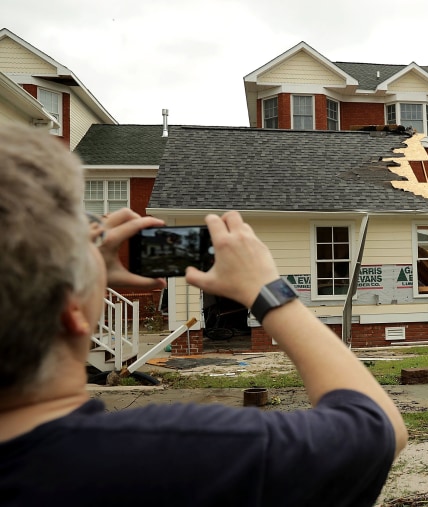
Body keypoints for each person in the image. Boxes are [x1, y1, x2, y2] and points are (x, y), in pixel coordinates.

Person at [0, 123, 407, 506]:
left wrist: (77, 273)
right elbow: (378, 429)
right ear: (71, 310)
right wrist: (269, 291)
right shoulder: (174, 453)